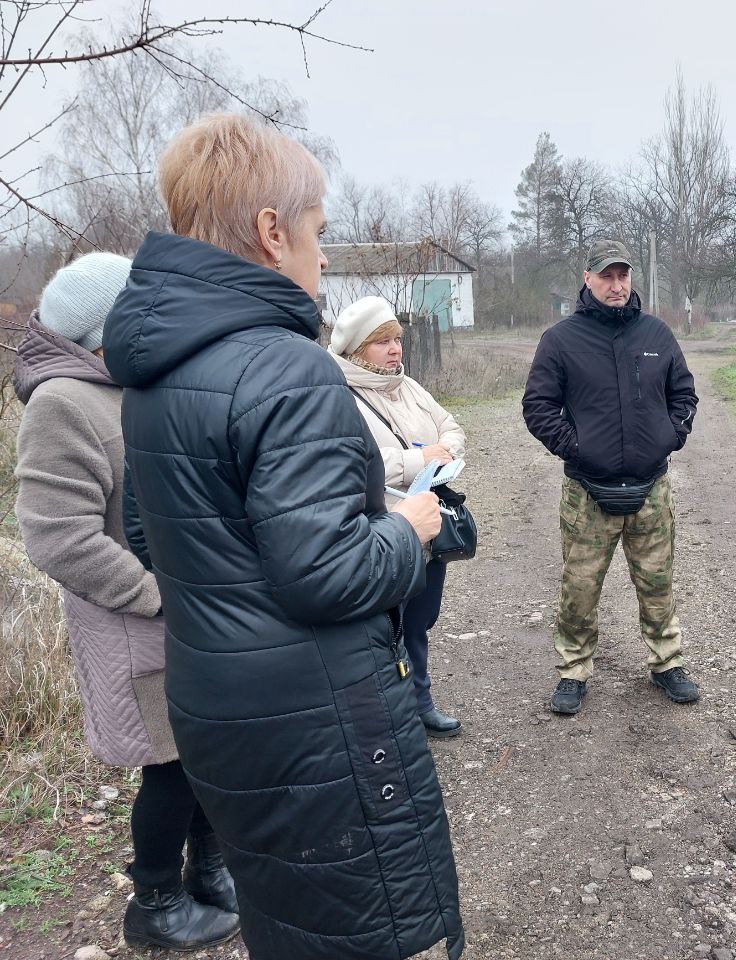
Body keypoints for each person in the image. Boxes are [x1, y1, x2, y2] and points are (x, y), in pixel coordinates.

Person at [100, 114, 464, 960]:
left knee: (287, 919)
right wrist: (407, 528)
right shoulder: (283, 365)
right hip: (314, 719)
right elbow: (327, 575)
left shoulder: (155, 372)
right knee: (364, 928)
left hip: (214, 705)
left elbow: (151, 540)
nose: (323, 256)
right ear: (272, 231)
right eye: (318, 230)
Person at [15, 253, 240, 951]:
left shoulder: (130, 386)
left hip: (186, 619)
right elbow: (59, 538)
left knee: (205, 755)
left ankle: (211, 872)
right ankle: (156, 903)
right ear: (104, 331)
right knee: (169, 767)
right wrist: (156, 596)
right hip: (135, 623)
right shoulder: (62, 402)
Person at [523, 239, 700, 715]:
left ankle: (667, 663)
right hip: (587, 493)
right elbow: (538, 407)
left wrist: (670, 436)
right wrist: (578, 448)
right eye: (607, 276)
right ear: (588, 279)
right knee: (579, 588)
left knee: (657, 584)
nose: (617, 285)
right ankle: (574, 669)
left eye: (623, 275)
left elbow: (684, 394)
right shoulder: (561, 340)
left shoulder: (657, 334)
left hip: (651, 489)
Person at [330, 295, 466, 738]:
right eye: (382, 342)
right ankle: (387, 715)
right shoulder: (337, 394)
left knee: (420, 621)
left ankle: (420, 701)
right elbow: (352, 461)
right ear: (356, 348)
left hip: (429, 526)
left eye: (397, 340)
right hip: (382, 530)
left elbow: (451, 426)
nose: (395, 350)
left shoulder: (406, 385)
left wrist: (445, 452)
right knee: (384, 628)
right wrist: (418, 460)